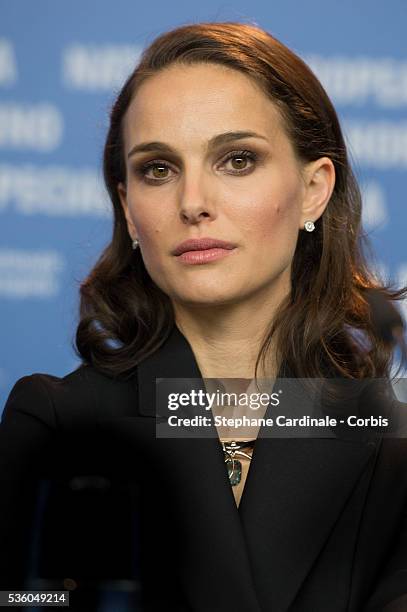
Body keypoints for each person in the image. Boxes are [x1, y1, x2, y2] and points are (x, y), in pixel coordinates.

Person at [1, 21, 407, 612]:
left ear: (314, 189)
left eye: (237, 160)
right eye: (158, 169)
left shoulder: (391, 448)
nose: (192, 203)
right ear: (130, 213)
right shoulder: (58, 425)